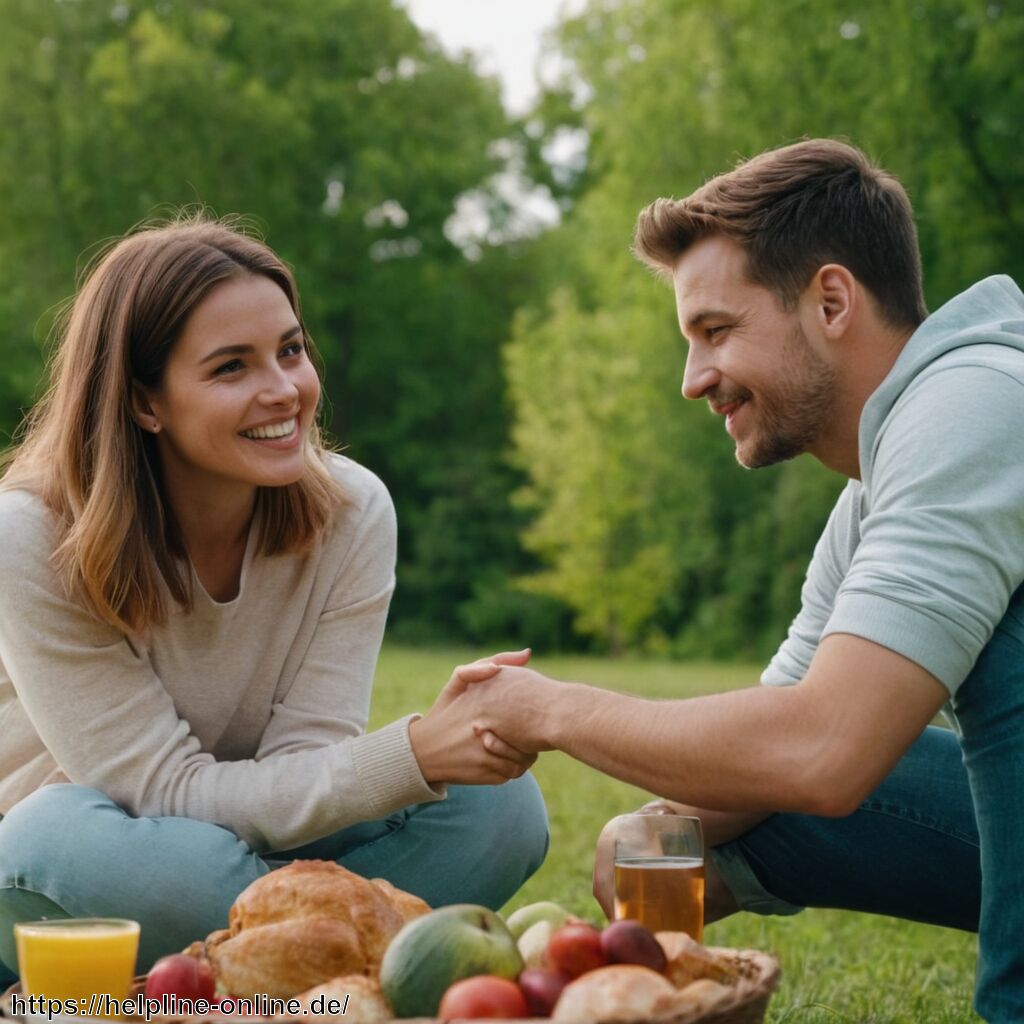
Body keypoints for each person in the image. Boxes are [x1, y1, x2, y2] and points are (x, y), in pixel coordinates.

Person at [435, 140, 1024, 1022]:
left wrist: (547, 711)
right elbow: (773, 741)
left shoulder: (973, 406)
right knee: (720, 806)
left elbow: (825, 751)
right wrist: (651, 830)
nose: (692, 379)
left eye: (716, 331)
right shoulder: (878, 484)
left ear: (831, 301)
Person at [0, 215, 548, 983]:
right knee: (50, 837)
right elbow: (158, 791)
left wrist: (427, 760)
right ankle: (339, 966)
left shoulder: (353, 511)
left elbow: (307, 764)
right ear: (145, 403)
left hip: (255, 851)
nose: (284, 389)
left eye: (290, 351)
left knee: (500, 811)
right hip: (101, 857)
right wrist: (411, 752)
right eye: (232, 368)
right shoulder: (30, 536)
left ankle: (264, 968)